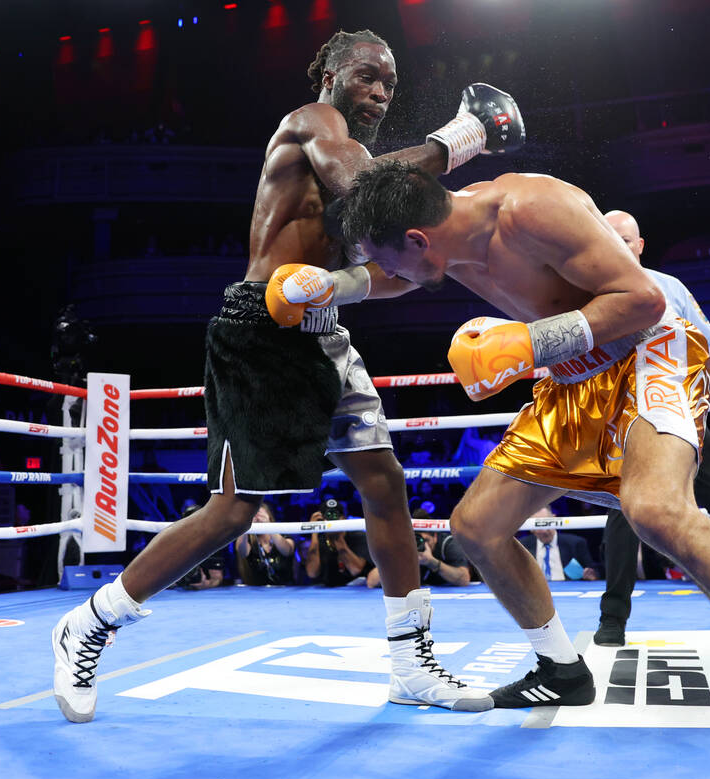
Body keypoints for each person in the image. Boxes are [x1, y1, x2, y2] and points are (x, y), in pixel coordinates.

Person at [336, 162, 710, 779]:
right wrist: (327, 288)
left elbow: (644, 298)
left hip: (648, 351)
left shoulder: (531, 208)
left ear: (418, 239)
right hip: (572, 377)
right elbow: (393, 275)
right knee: (476, 528)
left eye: (390, 260)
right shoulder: (437, 239)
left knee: (656, 511)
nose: (390, 275)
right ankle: (561, 670)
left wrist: (529, 343)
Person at [52, 29, 522, 721]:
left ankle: (409, 662)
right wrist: (461, 138)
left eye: (389, 85)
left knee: (384, 483)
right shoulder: (311, 122)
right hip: (259, 334)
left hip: (323, 331)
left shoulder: (362, 186)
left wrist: (340, 284)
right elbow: (365, 183)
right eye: (366, 76)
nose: (379, 93)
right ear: (331, 76)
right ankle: (91, 622)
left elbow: (401, 274)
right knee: (234, 512)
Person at [593, 210, 710, 647]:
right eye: (609, 238)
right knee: (623, 514)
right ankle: (612, 618)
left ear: (639, 245)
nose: (618, 246)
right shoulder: (587, 293)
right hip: (628, 423)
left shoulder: (671, 287)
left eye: (626, 240)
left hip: (685, 416)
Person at [368, 508, 472, 588]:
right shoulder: (404, 546)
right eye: (416, 541)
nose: (421, 544)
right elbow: (372, 582)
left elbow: (464, 579)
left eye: (426, 540)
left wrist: (431, 562)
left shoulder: (447, 544)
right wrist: (400, 558)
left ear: (435, 537)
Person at [517, 506, 599, 582]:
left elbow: (595, 571)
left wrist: (592, 575)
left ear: (554, 519)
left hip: (569, 589)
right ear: (530, 527)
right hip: (535, 590)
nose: (544, 530)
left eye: (546, 522)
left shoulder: (575, 543)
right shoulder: (522, 546)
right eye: (538, 524)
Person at [236, 503, 295, 586]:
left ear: (269, 516)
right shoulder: (247, 540)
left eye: (261, 515)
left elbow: (287, 551)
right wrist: (246, 524)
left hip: (285, 589)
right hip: (257, 590)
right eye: (254, 514)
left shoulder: (282, 535)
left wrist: (268, 524)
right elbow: (242, 552)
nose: (258, 518)